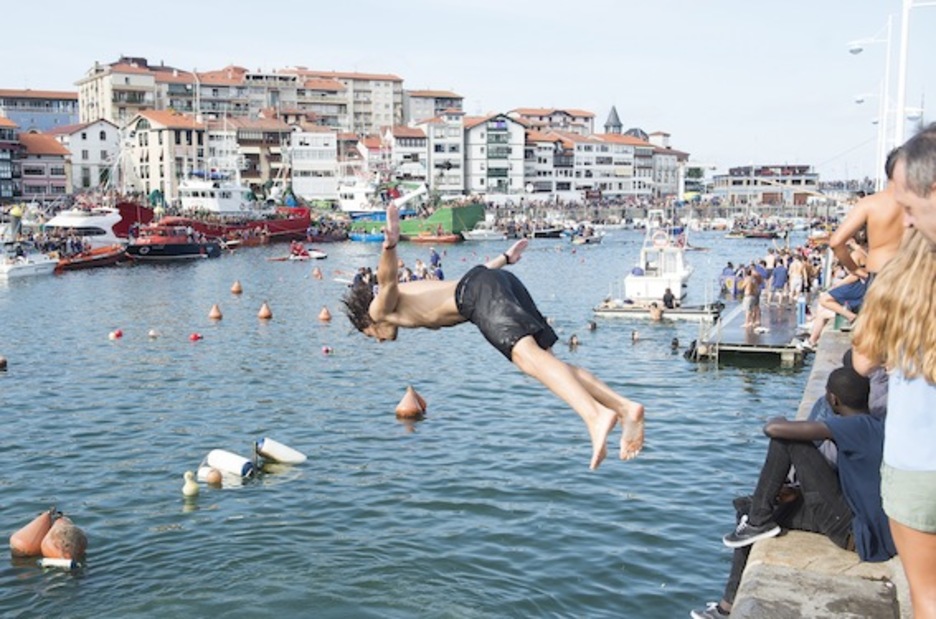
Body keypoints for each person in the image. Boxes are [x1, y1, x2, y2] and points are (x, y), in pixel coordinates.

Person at [342, 205, 644, 470]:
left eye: (371, 336)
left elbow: (388, 282)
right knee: (550, 363)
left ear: (367, 322)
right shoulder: (414, 293)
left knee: (530, 360)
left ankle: (594, 416)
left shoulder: (378, 309)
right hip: (496, 281)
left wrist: (390, 246)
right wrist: (505, 259)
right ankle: (624, 407)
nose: (379, 340)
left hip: (478, 295)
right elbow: (471, 276)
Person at [689, 367, 896, 619]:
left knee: (786, 440)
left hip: (853, 530)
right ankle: (727, 607)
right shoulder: (876, 425)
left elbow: (775, 430)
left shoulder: (855, 426)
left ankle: (758, 522)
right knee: (748, 508)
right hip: (856, 522)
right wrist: (798, 492)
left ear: (833, 399)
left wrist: (777, 419)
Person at [852, 125, 936, 619]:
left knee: (927, 596)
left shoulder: (899, 281)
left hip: (915, 463)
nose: (901, 222)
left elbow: (862, 361)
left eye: (907, 209)